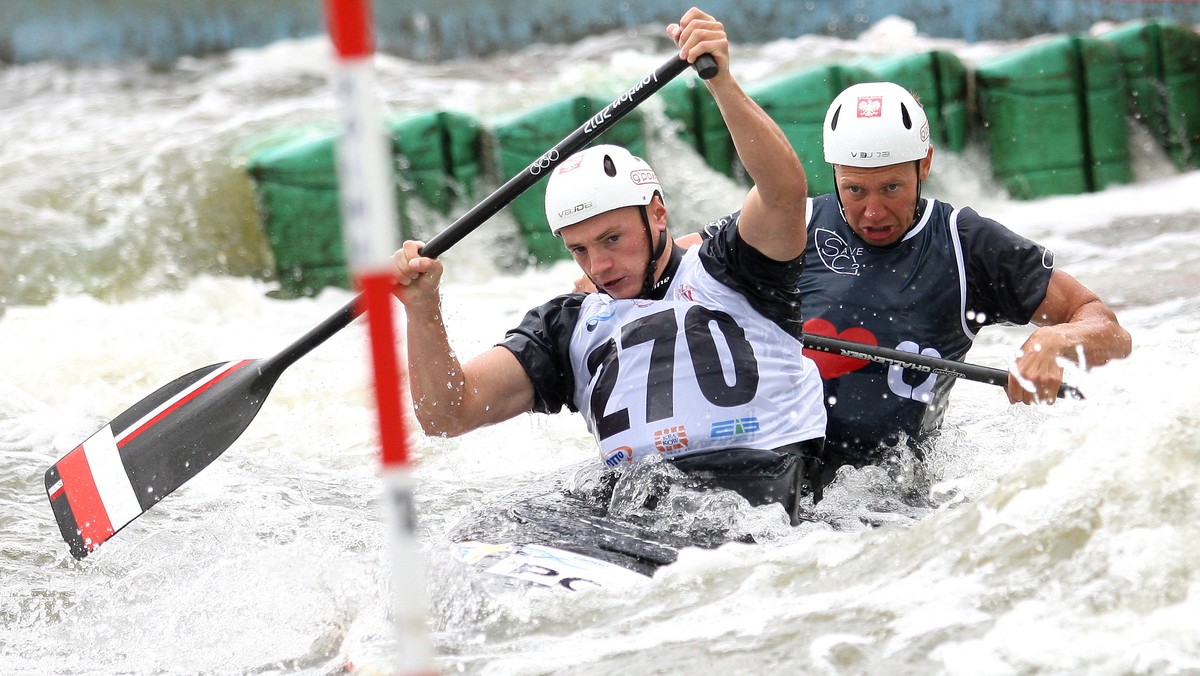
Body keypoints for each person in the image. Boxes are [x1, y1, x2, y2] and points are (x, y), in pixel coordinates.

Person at [391, 8, 827, 525]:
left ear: (658, 213)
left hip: (756, 500)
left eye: (612, 238)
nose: (599, 264)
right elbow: (448, 414)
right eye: (579, 249)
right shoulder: (568, 326)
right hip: (632, 513)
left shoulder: (735, 268)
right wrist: (422, 310)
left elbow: (782, 194)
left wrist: (723, 85)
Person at [695, 81, 1132, 490]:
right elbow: (670, 271)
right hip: (768, 476)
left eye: (891, 187)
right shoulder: (786, 226)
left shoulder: (967, 244)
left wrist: (1053, 342)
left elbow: (1107, 328)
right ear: (833, 171)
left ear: (924, 163)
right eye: (854, 190)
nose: (873, 211)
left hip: (888, 496)